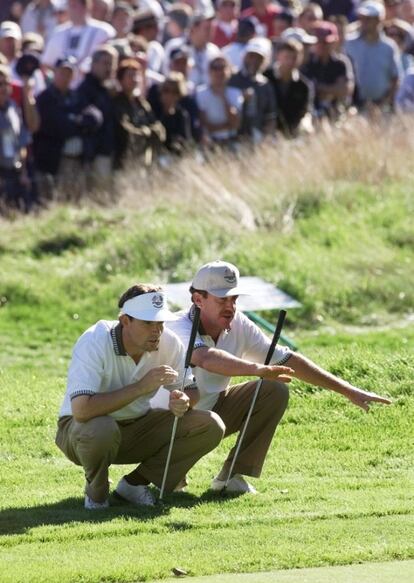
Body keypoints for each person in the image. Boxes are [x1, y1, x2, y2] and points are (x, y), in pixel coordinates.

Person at [167, 260, 392, 494]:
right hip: (168, 420)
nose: (230, 307)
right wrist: (257, 369)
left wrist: (348, 390)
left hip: (212, 413)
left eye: (234, 299)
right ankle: (165, 472)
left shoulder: (239, 323)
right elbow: (206, 358)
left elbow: (286, 359)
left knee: (273, 390)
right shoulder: (176, 325)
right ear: (198, 300)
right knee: (168, 487)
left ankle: (231, 477)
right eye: (221, 299)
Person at [56, 283, 225, 509]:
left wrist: (183, 401)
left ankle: (135, 484)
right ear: (125, 321)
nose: (157, 331)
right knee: (102, 428)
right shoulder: (94, 340)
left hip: (138, 427)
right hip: (81, 431)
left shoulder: (168, 342)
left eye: (160, 323)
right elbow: (81, 410)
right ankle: (97, 491)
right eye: (148, 323)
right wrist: (140, 387)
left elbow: (191, 390)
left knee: (211, 425)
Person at [345, 1, 401, 111]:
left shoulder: (389, 47)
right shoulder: (349, 44)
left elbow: (395, 78)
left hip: (380, 107)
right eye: (363, 18)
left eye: (369, 18)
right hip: (353, 107)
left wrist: (384, 104)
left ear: (379, 20)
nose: (364, 22)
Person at [113, 58, 165, 169]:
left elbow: (159, 128)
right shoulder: (117, 103)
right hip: (123, 159)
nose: (135, 79)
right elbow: (125, 131)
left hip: (143, 159)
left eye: (137, 76)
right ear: (121, 80)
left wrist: (149, 133)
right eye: (130, 76)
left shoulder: (141, 103)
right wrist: (146, 133)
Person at [228, 37, 276, 142]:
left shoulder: (265, 85)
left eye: (258, 58)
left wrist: (266, 138)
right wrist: (240, 99)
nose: (254, 61)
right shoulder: (232, 79)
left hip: (257, 137)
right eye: (251, 56)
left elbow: (270, 116)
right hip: (232, 137)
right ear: (244, 57)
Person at [196, 55, 244, 150]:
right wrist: (227, 126)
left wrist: (223, 97)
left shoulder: (236, 93)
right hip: (209, 143)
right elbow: (203, 124)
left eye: (222, 67)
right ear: (209, 71)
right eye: (215, 68)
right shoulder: (200, 93)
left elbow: (235, 123)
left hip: (231, 141)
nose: (219, 72)